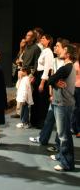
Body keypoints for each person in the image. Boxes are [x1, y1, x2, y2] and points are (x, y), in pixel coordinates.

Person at [29, 38, 69, 149]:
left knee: (61, 123)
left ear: (65, 49)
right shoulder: (56, 60)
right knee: (49, 119)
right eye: (55, 45)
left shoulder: (66, 63)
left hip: (63, 97)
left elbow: (62, 80)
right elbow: (52, 78)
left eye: (58, 46)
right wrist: (51, 93)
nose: (55, 47)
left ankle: (58, 145)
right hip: (55, 94)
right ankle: (43, 139)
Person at [48, 43, 76, 171]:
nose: (61, 51)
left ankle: (67, 163)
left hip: (63, 104)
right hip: (63, 103)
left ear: (68, 54)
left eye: (64, 49)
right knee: (62, 133)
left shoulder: (66, 68)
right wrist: (55, 82)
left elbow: (51, 79)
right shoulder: (67, 67)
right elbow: (53, 79)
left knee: (64, 135)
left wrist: (53, 81)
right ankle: (61, 156)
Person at [11, 30, 41, 119]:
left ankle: (26, 119)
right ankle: (22, 117)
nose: (26, 36)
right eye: (26, 35)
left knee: (27, 97)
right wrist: (20, 65)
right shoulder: (27, 47)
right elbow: (23, 59)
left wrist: (32, 74)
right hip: (23, 74)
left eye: (29, 35)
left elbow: (37, 63)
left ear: (33, 38)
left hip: (28, 75)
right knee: (21, 95)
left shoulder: (36, 48)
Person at [30, 34, 54, 128]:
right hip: (39, 75)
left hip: (43, 77)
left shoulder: (48, 52)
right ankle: (35, 121)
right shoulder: (44, 51)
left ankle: (41, 122)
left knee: (42, 101)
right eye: (42, 38)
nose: (41, 39)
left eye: (44, 38)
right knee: (36, 99)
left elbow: (47, 68)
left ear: (48, 41)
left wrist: (42, 83)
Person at [71, 46, 80, 138]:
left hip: (76, 88)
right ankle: (75, 128)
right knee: (76, 109)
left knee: (76, 109)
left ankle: (74, 128)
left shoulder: (75, 64)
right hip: (77, 88)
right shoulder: (76, 64)